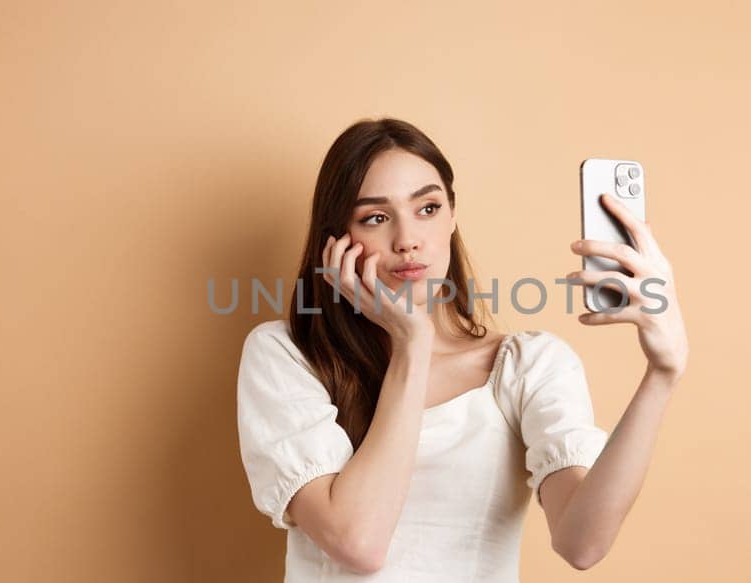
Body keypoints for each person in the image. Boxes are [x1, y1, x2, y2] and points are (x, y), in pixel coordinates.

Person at [235, 117, 689, 581]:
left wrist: (662, 373)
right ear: (336, 242)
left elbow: (582, 543)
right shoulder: (286, 356)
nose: (408, 239)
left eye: (427, 208)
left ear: (452, 215)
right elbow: (359, 543)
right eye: (375, 217)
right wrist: (412, 343)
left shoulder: (524, 365)